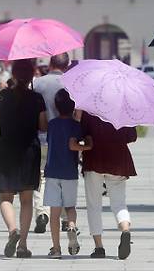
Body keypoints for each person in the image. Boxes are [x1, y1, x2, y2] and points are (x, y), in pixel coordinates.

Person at [0, 59, 48, 258]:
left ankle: (12, 230)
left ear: (14, 75)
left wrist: (0, 114)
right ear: (31, 76)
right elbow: (43, 126)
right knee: (27, 200)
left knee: (6, 197)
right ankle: (23, 245)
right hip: (30, 151)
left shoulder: (3, 96)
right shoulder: (37, 98)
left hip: (7, 151)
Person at [80, 111, 137, 260]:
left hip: (94, 158)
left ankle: (99, 247)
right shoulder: (123, 110)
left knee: (94, 204)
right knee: (119, 203)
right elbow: (132, 136)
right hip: (118, 159)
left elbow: (81, 133)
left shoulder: (90, 109)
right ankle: (125, 228)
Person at [44, 89, 92, 259]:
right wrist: (87, 146)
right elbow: (73, 145)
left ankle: (56, 249)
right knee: (70, 207)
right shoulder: (75, 125)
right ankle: (71, 225)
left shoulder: (52, 124)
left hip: (52, 171)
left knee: (54, 213)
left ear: (56, 107)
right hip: (69, 172)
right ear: (73, 107)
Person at [31, 53, 70, 234]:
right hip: (65, 138)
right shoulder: (72, 83)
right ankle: (64, 217)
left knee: (41, 176)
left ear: (50, 63)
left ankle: (42, 213)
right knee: (63, 178)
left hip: (41, 136)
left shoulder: (37, 83)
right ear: (67, 65)